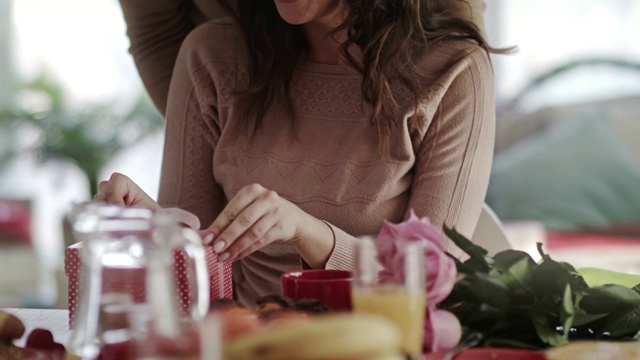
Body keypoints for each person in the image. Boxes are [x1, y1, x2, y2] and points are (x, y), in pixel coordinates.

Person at [97, 0, 503, 307]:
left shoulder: (453, 70)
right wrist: (153, 229)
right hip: (247, 341)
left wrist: (310, 234)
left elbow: (429, 284)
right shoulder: (211, 56)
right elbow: (199, 271)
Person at [118, 0, 488, 115]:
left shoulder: (454, 63)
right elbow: (156, 35)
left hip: (392, 75)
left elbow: (455, 51)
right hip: (248, 81)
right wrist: (224, 143)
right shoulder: (210, 50)